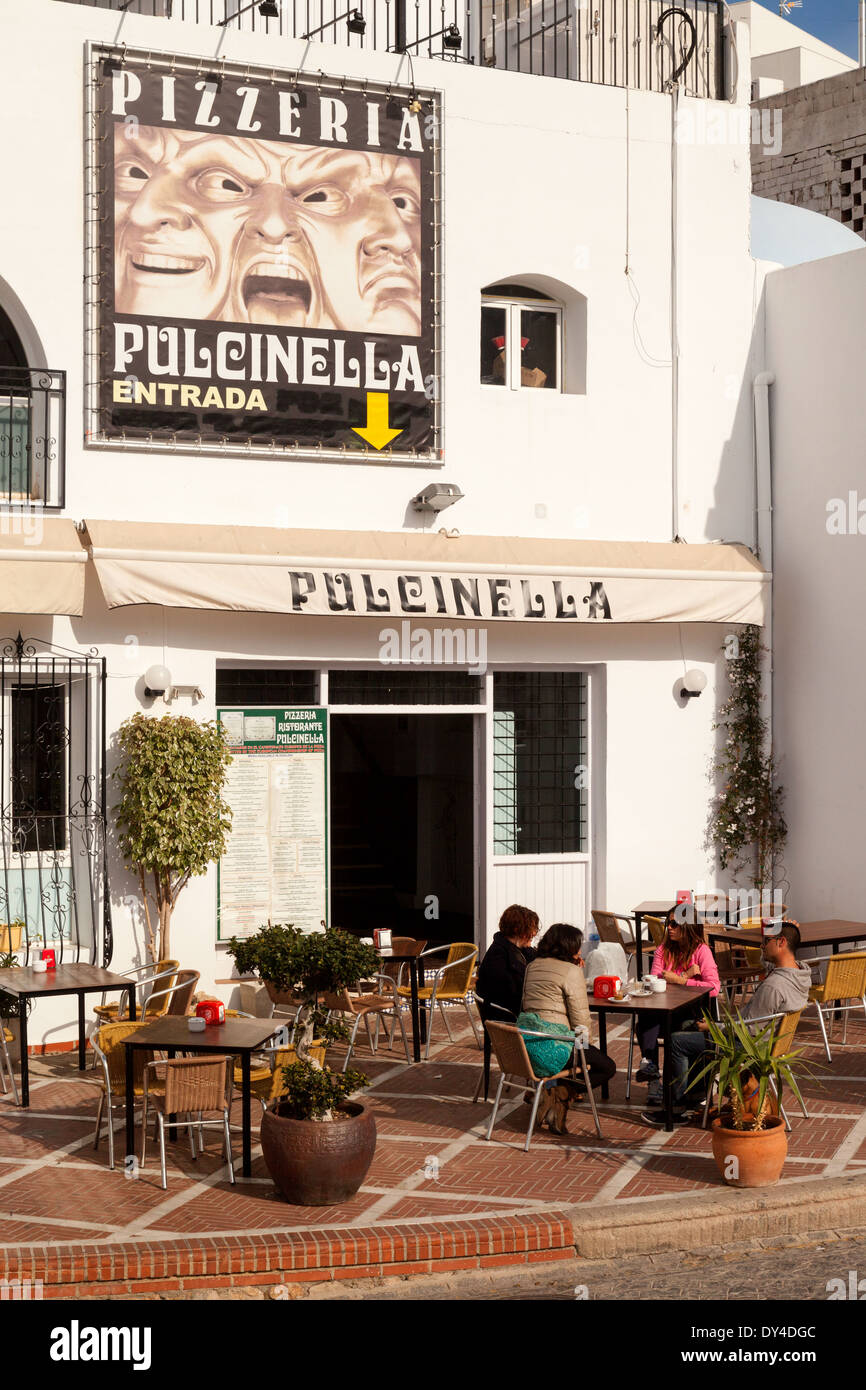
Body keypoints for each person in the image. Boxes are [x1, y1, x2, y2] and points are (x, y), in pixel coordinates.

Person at [642, 920, 812, 1126]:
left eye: (766, 941)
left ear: (781, 942)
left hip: (749, 1046)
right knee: (689, 1027)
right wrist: (791, 930)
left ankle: (676, 1108)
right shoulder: (801, 974)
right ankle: (695, 1097)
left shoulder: (773, 986)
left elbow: (748, 1030)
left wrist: (714, 1027)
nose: (762, 946)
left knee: (677, 1041)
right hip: (771, 1045)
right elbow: (771, 960)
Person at [518, 922, 616, 1133]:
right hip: (554, 1048)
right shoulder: (571, 971)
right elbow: (581, 1021)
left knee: (589, 1058)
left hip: (526, 1046)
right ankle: (562, 1093)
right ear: (569, 948)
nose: (580, 950)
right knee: (607, 1066)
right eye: (577, 946)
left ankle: (554, 1095)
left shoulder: (532, 966)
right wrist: (585, 1047)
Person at [636, 904, 720, 1105]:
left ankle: (661, 1078)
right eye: (668, 923)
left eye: (674, 924)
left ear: (688, 926)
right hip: (664, 1011)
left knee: (649, 1022)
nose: (669, 928)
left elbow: (714, 987)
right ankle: (653, 1073)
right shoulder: (663, 950)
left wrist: (681, 981)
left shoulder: (702, 951)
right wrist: (685, 975)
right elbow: (655, 979)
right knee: (647, 1016)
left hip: (690, 1013)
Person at [475, 904, 538, 1020]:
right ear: (517, 929)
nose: (534, 933)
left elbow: (542, 956)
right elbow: (511, 996)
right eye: (531, 929)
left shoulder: (519, 950)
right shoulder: (498, 957)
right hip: (508, 1021)